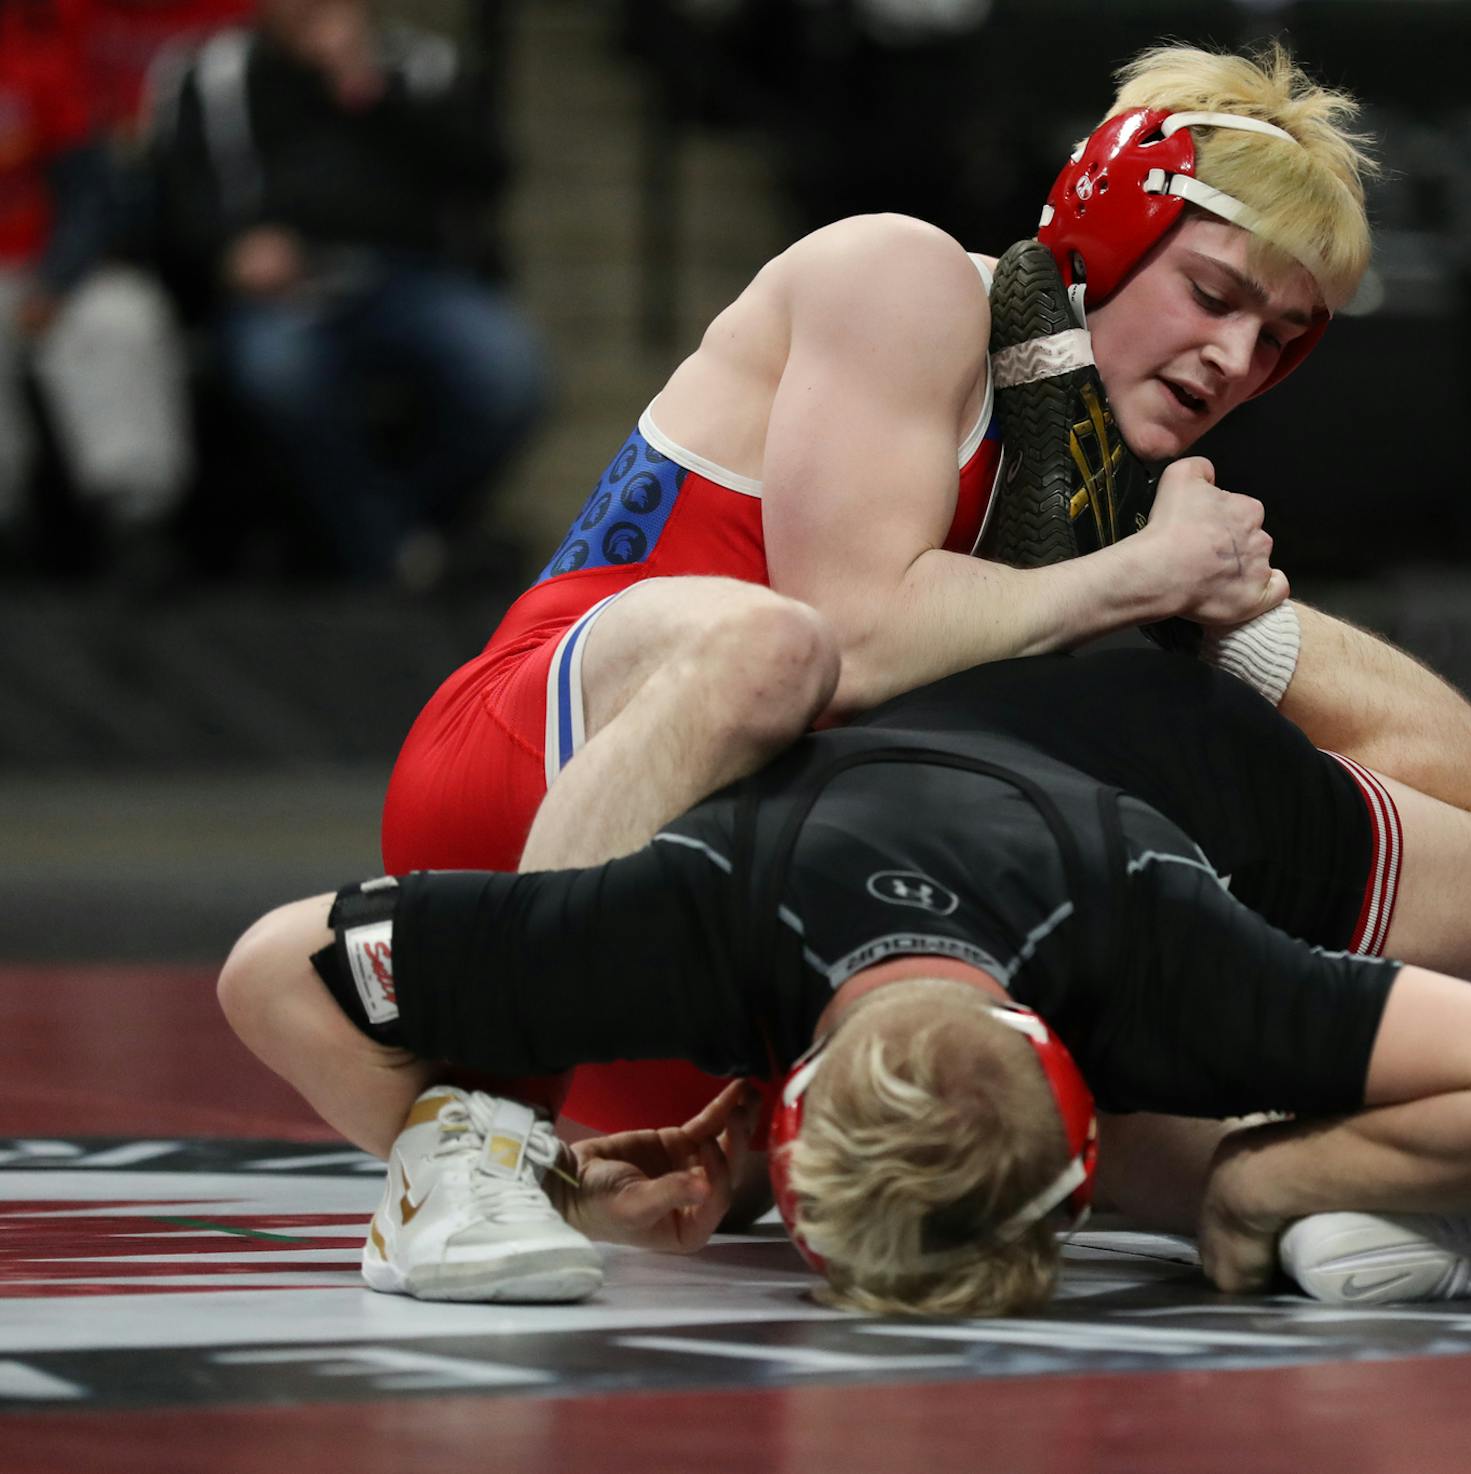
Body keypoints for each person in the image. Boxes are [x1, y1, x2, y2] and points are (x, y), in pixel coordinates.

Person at [374, 41, 1378, 1132]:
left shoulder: (1108, 479)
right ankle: (478, 1138)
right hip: (536, 764)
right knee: (779, 652)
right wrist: (1145, 575)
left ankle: (1368, 1193)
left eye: (1279, 337)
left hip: (728, 883)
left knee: (1071, 1123)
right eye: (1212, 293)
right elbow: (845, 638)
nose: (1236, 357)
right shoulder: (905, 279)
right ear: (1108, 228)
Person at [219, 644, 1471, 1316]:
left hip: (1184, 734)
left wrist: (1245, 1192)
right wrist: (496, 1155)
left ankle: (1254, 1200)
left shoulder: (1159, 950)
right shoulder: (685, 925)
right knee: (737, 662)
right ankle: (1283, 1200)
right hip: (890, 701)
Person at [148, 0, 544, 584]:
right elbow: (168, 195)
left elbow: (487, 174)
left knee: (509, 368)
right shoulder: (210, 74)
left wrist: (372, 90)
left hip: (408, 280)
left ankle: (390, 538)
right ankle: (396, 553)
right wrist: (228, 250)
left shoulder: (423, 66)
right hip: (281, 294)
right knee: (276, 374)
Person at [0, 0, 194, 570]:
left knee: (121, 316)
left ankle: (135, 519)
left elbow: (92, 191)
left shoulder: (31, 56)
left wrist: (56, 280)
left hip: (38, 265)